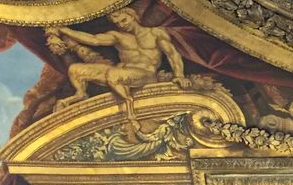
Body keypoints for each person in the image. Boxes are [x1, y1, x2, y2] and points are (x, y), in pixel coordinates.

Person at [52, 8, 190, 124]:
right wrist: (64, 30)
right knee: (75, 69)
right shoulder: (118, 36)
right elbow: (94, 40)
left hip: (146, 74)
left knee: (114, 74)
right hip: (121, 74)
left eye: (124, 20)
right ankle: (80, 94)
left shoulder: (155, 33)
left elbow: (172, 54)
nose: (122, 25)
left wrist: (179, 75)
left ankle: (128, 106)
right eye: (117, 23)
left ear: (133, 16)